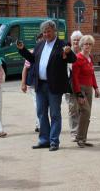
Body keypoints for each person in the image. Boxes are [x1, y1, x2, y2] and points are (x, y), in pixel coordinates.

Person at [17, 20, 76, 151]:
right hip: (40, 85)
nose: (46, 34)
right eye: (44, 32)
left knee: (54, 114)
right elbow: (32, 60)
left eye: (48, 31)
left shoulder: (62, 45)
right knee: (41, 113)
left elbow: (72, 59)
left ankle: (54, 141)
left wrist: (69, 52)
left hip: (54, 85)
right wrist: (22, 50)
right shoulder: (39, 45)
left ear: (54, 31)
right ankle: (44, 140)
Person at [71, 35, 100, 148]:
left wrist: (96, 88)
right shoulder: (78, 58)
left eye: (90, 44)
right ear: (81, 45)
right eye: (85, 44)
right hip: (80, 88)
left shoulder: (89, 58)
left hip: (89, 89)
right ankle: (80, 138)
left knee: (87, 114)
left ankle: (83, 138)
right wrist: (78, 93)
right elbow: (75, 78)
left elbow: (92, 74)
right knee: (85, 112)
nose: (87, 46)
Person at [20, 33, 43, 133]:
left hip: (45, 83)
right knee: (37, 104)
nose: (41, 42)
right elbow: (25, 69)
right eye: (39, 40)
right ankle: (40, 125)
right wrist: (23, 83)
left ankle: (41, 124)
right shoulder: (32, 52)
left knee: (45, 105)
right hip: (33, 83)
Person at [65, 30, 83, 141]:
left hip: (82, 85)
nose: (76, 42)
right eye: (74, 40)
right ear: (71, 41)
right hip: (70, 86)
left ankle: (80, 131)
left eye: (78, 40)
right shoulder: (67, 53)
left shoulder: (84, 53)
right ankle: (73, 132)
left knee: (82, 109)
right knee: (72, 109)